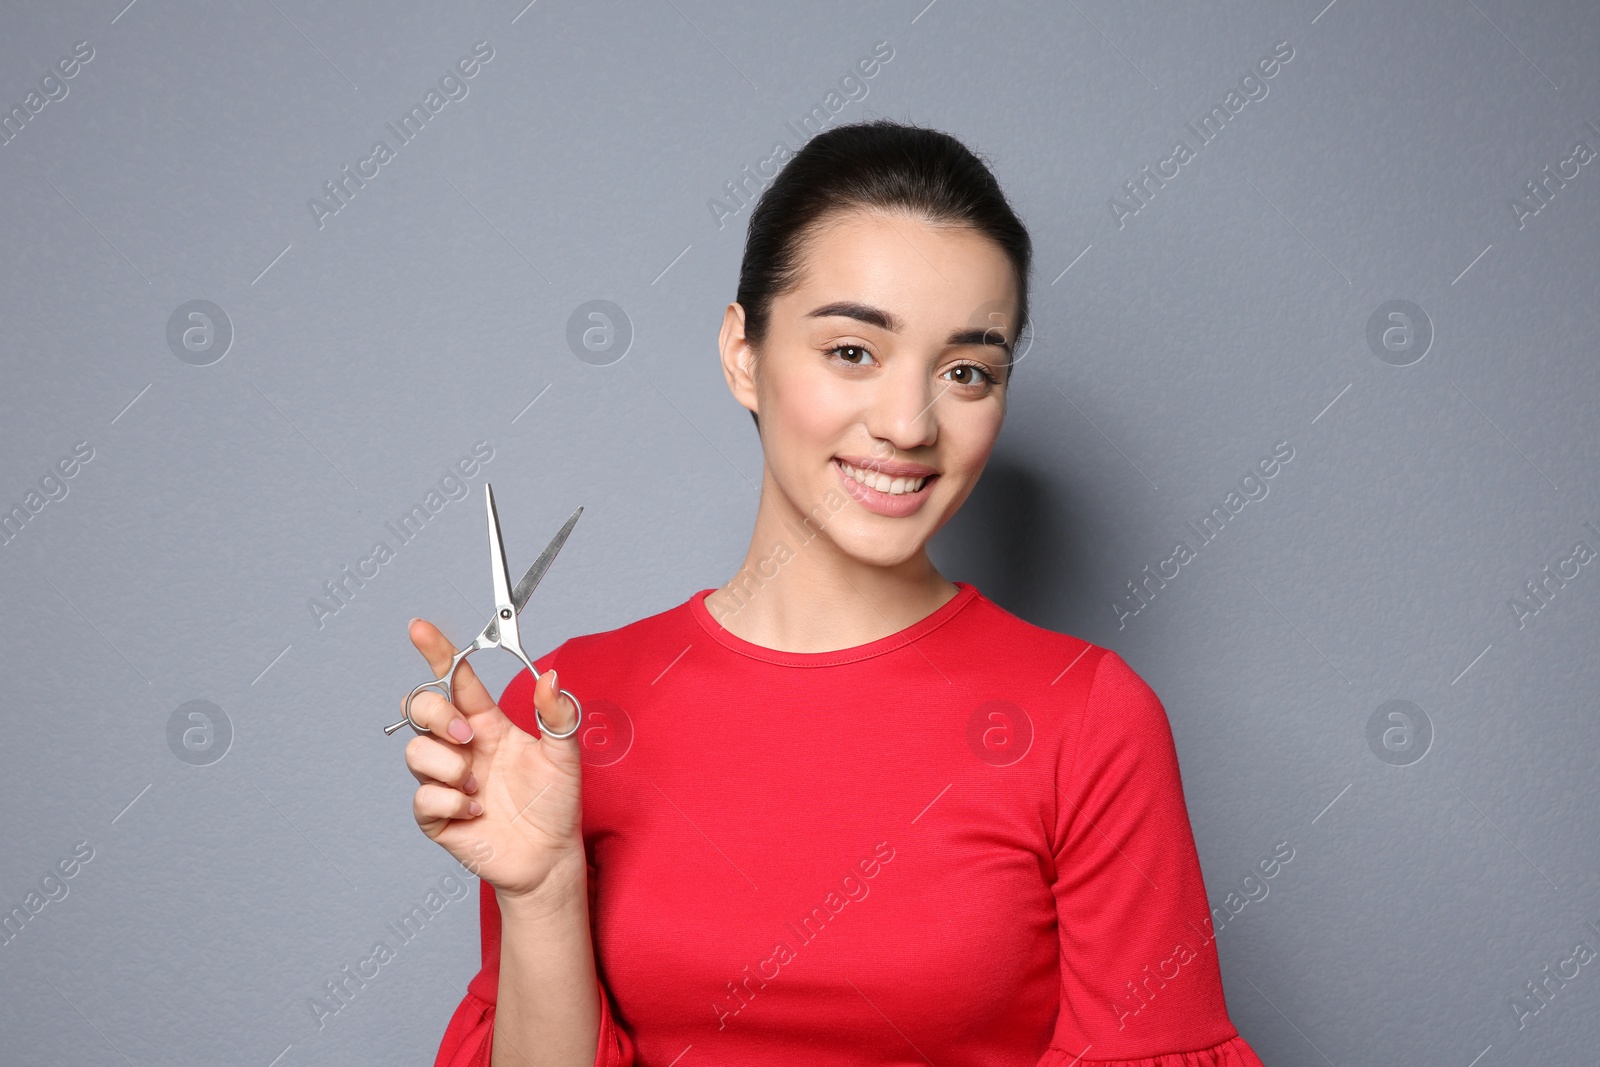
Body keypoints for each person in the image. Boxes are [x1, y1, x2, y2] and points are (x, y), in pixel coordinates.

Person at [402, 119, 1268, 1066]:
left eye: (967, 371)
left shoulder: (1089, 722)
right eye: (853, 351)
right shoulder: (564, 713)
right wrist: (543, 890)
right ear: (743, 352)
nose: (907, 424)